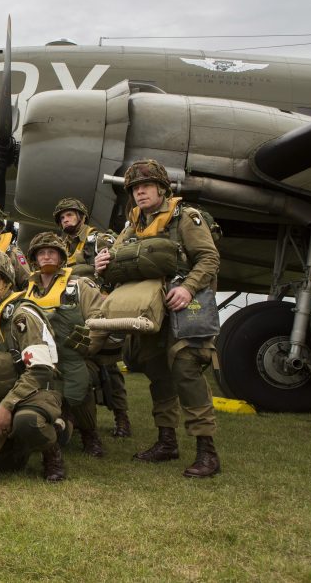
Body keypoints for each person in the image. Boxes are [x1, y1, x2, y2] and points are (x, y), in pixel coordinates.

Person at [94, 158, 221, 478]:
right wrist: (102, 264)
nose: (140, 193)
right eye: (135, 188)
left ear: (163, 189)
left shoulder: (186, 218)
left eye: (146, 186)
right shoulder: (132, 226)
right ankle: (167, 441)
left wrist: (189, 289)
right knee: (158, 373)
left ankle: (207, 450)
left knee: (187, 369)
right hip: (149, 311)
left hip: (181, 306)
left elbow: (209, 258)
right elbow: (117, 265)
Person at [0, 249, 66, 481]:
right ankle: (18, 446)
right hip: (9, 386)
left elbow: (40, 370)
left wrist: (7, 406)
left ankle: (53, 451)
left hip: (40, 388)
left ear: (6, 280)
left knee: (27, 422)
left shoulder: (22, 315)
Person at [22, 232, 109, 458]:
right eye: (41, 253)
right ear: (34, 258)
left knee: (81, 385)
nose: (47, 257)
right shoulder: (26, 291)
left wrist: (86, 349)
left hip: (76, 355)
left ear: (61, 257)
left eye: (52, 252)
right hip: (41, 358)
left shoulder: (79, 286)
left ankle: (90, 434)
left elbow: (99, 319)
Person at [53, 197, 131, 438]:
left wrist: (98, 269)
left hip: (99, 304)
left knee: (109, 365)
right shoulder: (60, 246)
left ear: (82, 217)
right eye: (62, 216)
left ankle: (121, 417)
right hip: (71, 308)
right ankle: (74, 416)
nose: (66, 219)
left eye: (70, 215)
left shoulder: (98, 239)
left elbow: (118, 264)